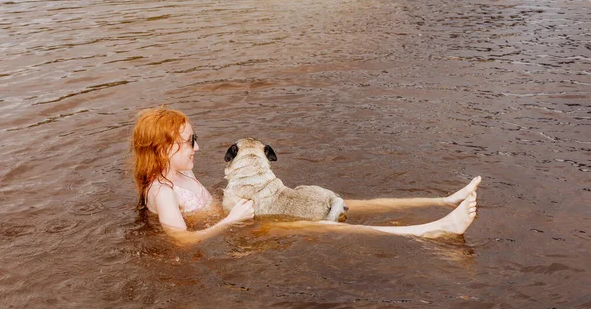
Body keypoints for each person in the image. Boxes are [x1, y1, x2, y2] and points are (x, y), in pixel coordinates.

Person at [131, 107, 480, 244]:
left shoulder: (179, 174)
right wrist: (230, 221)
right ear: (163, 149)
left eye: (195, 138)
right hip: (239, 222)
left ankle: (441, 199)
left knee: (349, 203)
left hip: (241, 215)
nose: (197, 147)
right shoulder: (162, 191)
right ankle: (428, 230)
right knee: (316, 223)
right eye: (189, 141)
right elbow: (181, 240)